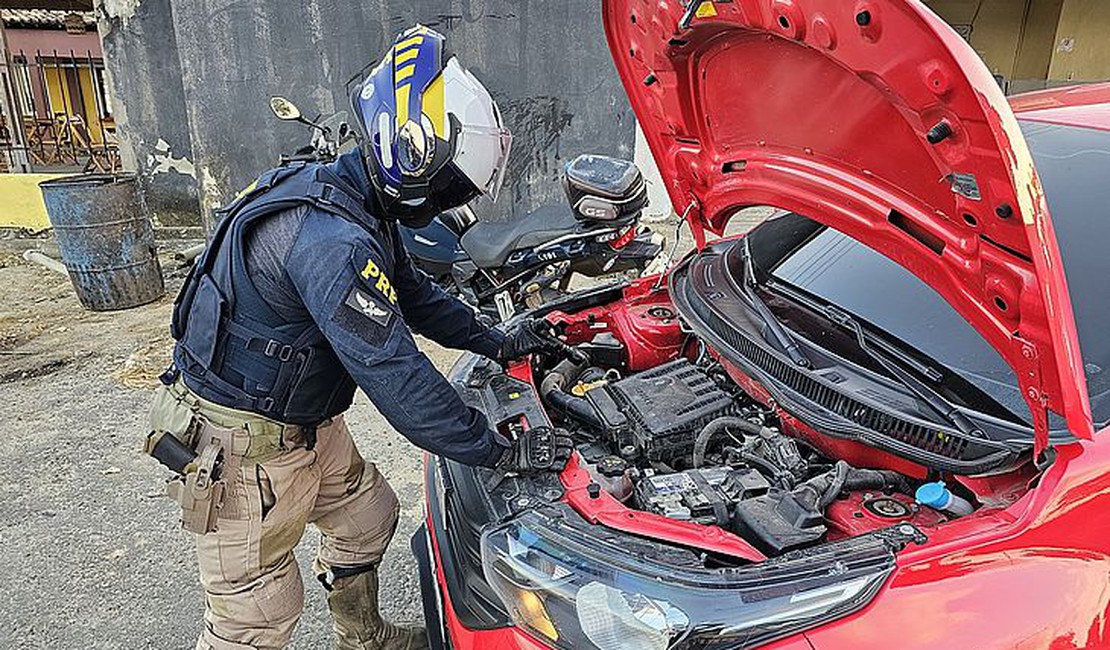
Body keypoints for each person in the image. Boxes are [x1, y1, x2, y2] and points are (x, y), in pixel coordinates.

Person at [146, 25, 574, 650]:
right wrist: (497, 450)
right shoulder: (330, 243)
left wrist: (499, 341)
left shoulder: (356, 199)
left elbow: (417, 297)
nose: (450, 196)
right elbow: (398, 377)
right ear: (411, 151)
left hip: (305, 420)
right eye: (450, 181)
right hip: (242, 444)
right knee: (256, 613)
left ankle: (363, 635)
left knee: (368, 518)